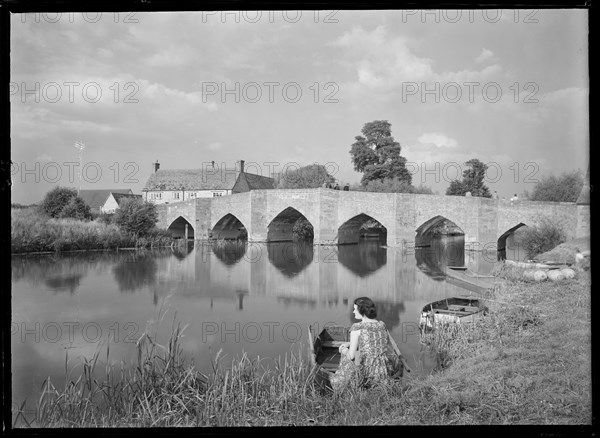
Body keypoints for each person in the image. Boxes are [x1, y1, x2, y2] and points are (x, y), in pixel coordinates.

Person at [330, 297, 389, 391]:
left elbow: (351, 356)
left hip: (366, 370)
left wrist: (343, 350)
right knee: (359, 352)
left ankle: (353, 382)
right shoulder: (381, 324)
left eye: (354, 309)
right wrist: (349, 343)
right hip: (381, 370)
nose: (353, 312)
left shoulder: (357, 327)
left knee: (348, 356)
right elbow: (370, 340)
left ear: (361, 310)